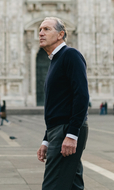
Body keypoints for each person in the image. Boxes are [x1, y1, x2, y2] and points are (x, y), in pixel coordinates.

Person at [36, 17, 89, 190]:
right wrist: (46, 140)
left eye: (46, 29)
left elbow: (81, 96)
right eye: (40, 29)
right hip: (58, 130)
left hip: (67, 130)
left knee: (52, 185)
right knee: (73, 184)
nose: (41, 33)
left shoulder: (70, 55)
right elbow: (57, 105)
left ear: (61, 34)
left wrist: (72, 134)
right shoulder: (55, 61)